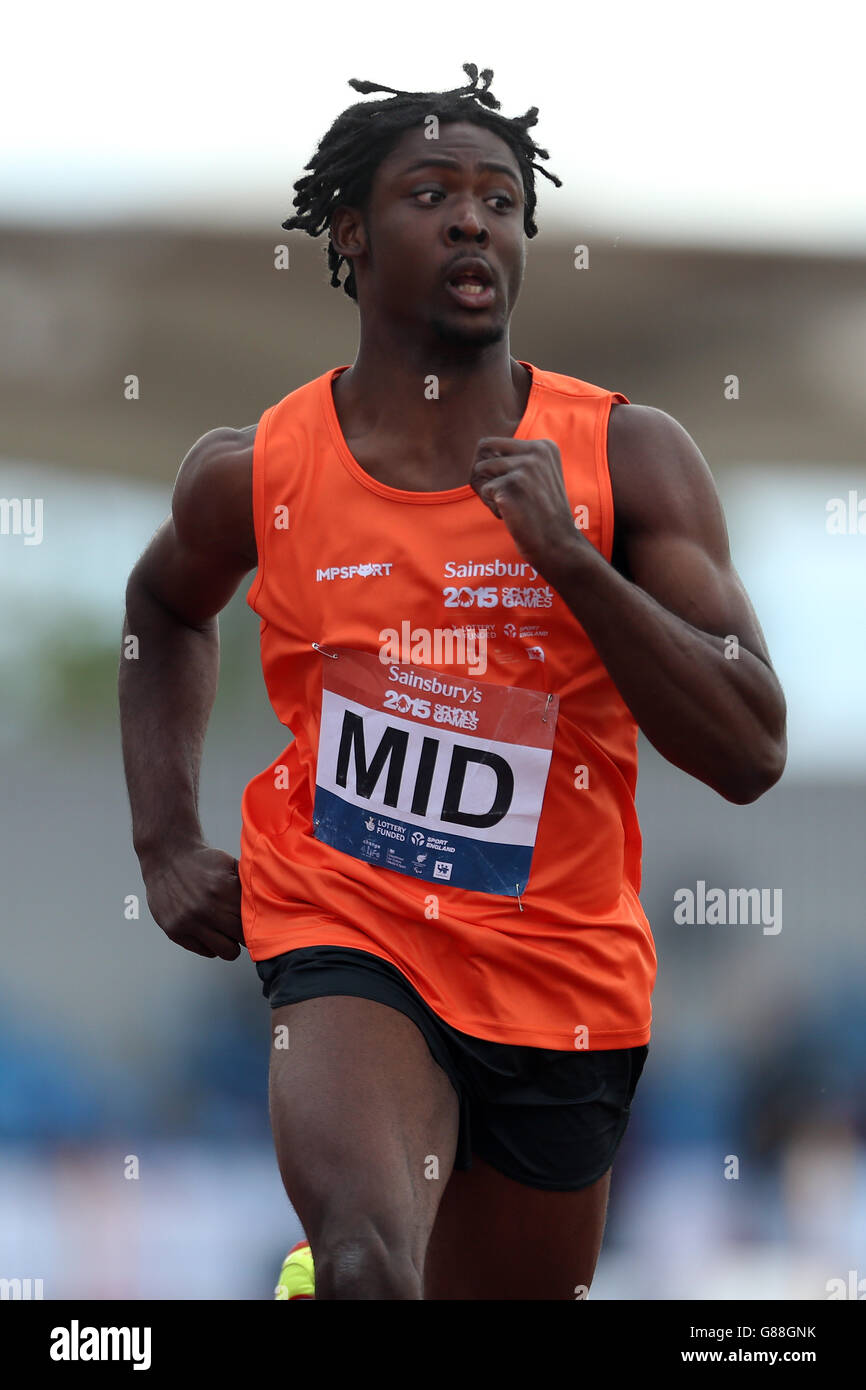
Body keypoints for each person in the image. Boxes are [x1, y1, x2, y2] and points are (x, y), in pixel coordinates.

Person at [118, 64, 787, 1300]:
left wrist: (571, 563)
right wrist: (164, 839)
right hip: (348, 927)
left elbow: (750, 747)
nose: (476, 219)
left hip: (562, 979)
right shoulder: (258, 468)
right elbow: (162, 606)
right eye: (433, 194)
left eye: (502, 199)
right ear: (352, 236)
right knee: (371, 1266)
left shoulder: (623, 459)